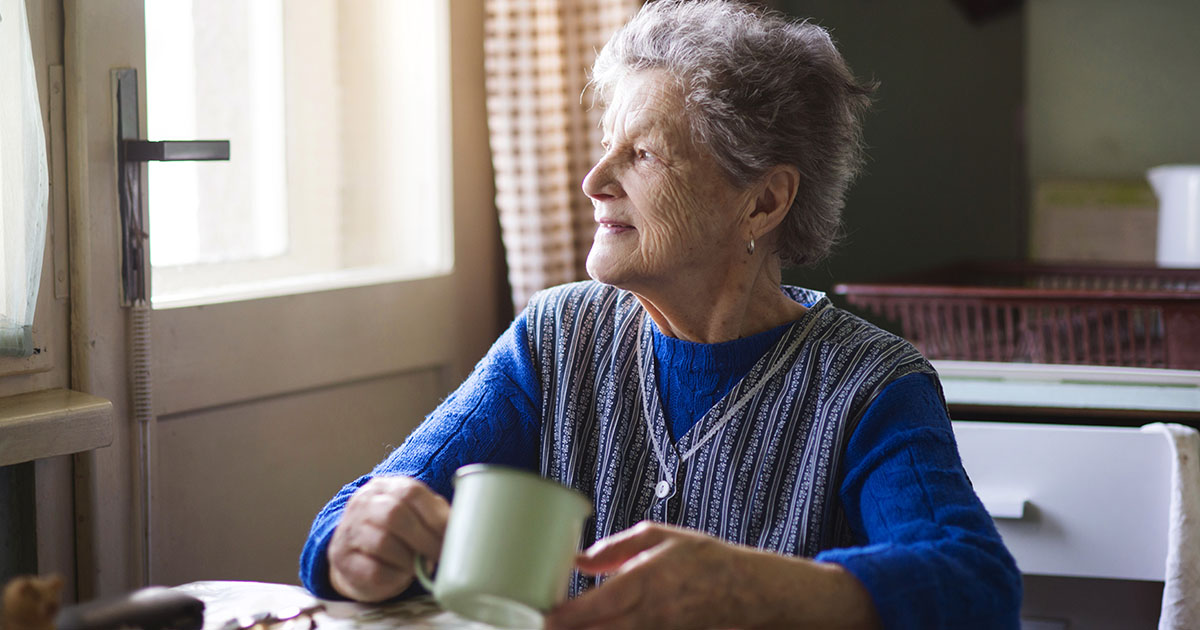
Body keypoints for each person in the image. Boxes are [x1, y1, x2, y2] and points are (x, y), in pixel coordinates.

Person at [300, 1, 1022, 628]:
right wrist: (356, 549)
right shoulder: (555, 338)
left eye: (642, 154)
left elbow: (978, 590)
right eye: (604, 146)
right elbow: (354, 517)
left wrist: (761, 591)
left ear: (764, 201)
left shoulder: (868, 383)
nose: (593, 181)